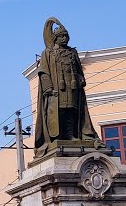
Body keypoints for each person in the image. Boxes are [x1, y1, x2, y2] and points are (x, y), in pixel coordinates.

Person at [34, 17, 100, 154]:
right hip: (56, 91)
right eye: (61, 36)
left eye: (66, 36)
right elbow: (44, 72)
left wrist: (81, 79)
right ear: (55, 38)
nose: (64, 38)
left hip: (72, 88)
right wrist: (48, 88)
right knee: (59, 112)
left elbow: (79, 70)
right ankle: (58, 137)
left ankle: (71, 135)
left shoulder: (72, 52)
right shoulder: (48, 53)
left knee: (71, 111)